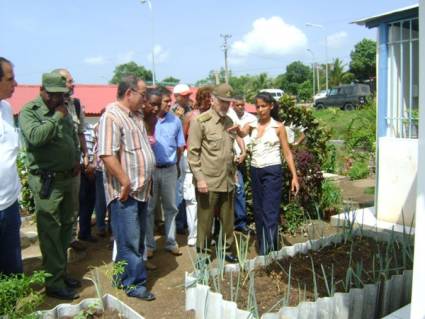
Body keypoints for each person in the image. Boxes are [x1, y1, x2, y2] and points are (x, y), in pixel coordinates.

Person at [19, 72, 81, 300]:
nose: (59, 99)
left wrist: (76, 157)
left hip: (67, 177)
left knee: (66, 227)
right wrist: (55, 116)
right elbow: (36, 137)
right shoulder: (30, 111)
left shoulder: (63, 108)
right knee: (50, 232)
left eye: (61, 95)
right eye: (54, 95)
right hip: (48, 181)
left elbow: (71, 136)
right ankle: (53, 283)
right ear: (42, 90)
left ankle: (61, 272)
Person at [98, 75, 155, 301]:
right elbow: (106, 154)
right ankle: (135, 284)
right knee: (130, 241)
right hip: (126, 192)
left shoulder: (136, 116)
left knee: (131, 240)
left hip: (140, 190)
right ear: (129, 93)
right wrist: (124, 181)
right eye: (143, 94)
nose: (146, 99)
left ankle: (122, 277)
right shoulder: (112, 116)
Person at [232, 91, 300, 255]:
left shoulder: (278, 127)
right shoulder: (252, 125)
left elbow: (287, 153)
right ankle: (267, 245)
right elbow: (242, 133)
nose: (260, 109)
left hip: (272, 171)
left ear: (271, 106)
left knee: (270, 210)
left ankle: (268, 251)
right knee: (259, 209)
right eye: (258, 106)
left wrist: (294, 177)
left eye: (263, 106)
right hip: (255, 171)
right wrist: (237, 130)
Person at [187, 83, 239, 263]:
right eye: (222, 102)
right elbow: (193, 154)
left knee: (228, 220)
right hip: (207, 182)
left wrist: (235, 170)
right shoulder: (200, 122)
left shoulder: (229, 123)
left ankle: (226, 249)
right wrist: (199, 179)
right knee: (205, 221)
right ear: (213, 100)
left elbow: (229, 151)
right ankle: (203, 254)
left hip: (228, 180)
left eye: (228, 103)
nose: (226, 106)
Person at [145, 89, 185, 258]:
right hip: (150, 171)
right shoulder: (146, 121)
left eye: (170, 101)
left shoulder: (175, 121)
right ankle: (149, 245)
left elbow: (180, 146)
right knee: (149, 209)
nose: (170, 104)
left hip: (169, 169)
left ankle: (170, 241)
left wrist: (175, 166)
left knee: (171, 207)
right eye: (166, 101)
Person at [53, 68, 88, 252]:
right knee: (56, 209)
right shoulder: (49, 105)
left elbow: (81, 131)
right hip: (56, 167)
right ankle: (57, 242)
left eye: (72, 81)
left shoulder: (75, 104)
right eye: (68, 81)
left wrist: (86, 155)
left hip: (74, 164)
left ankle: (71, 237)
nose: (72, 84)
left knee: (73, 204)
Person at [182, 85, 213, 247]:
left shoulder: (214, 116)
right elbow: (183, 138)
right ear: (201, 98)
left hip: (208, 160)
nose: (210, 100)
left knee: (209, 197)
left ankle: (208, 232)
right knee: (192, 199)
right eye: (207, 97)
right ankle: (193, 234)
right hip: (191, 159)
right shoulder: (191, 116)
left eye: (212, 97)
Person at [0, 57, 22, 275]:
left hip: (9, 204)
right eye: (10, 79)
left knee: (13, 269)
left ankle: (14, 309)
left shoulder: (6, 109)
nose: (15, 84)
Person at [227, 96, 257, 235]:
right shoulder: (227, 116)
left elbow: (241, 135)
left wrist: (244, 153)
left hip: (241, 159)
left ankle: (241, 222)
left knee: (239, 191)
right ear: (233, 105)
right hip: (227, 159)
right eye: (237, 105)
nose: (240, 107)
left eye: (242, 105)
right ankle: (225, 224)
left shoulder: (250, 118)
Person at [172, 83, 192, 234]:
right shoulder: (172, 112)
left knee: (186, 188)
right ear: (176, 97)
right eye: (184, 96)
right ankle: (179, 223)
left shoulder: (190, 110)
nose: (187, 98)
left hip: (187, 154)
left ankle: (185, 221)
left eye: (188, 95)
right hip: (176, 154)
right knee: (179, 189)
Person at [77, 123, 97, 242]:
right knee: (81, 202)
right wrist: (85, 166)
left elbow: (96, 148)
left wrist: (93, 165)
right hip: (79, 170)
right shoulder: (71, 127)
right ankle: (78, 234)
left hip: (92, 171)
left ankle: (85, 232)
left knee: (90, 202)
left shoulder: (90, 128)